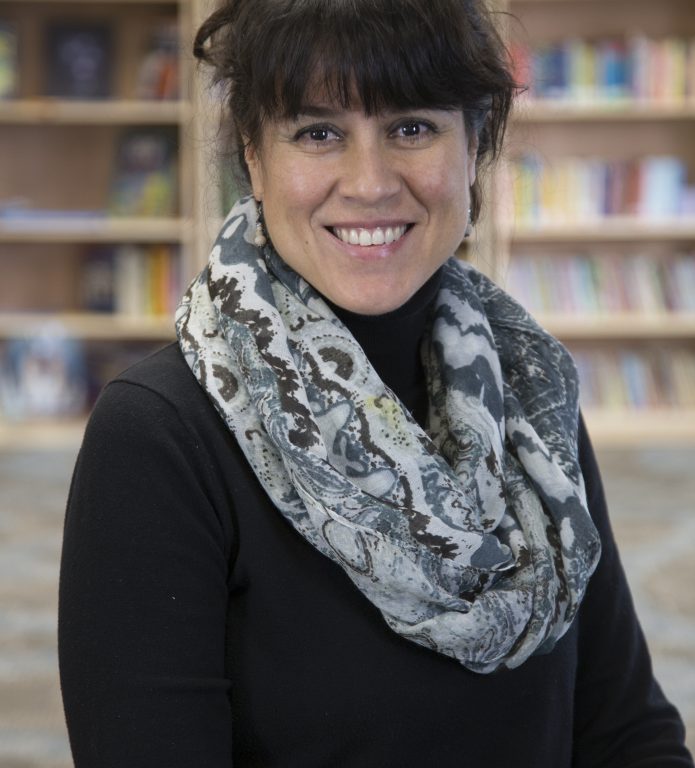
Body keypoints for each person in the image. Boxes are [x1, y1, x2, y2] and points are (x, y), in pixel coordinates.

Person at [58, 0, 694, 765]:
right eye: (318, 133)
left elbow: (625, 730)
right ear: (254, 161)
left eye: (412, 127)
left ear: (475, 148)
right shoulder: (158, 436)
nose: (369, 183)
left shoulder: (524, 398)